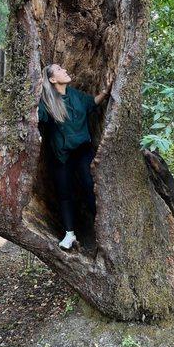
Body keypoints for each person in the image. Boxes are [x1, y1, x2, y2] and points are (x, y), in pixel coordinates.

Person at [38, 64, 113, 249]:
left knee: (89, 186)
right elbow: (36, 118)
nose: (64, 69)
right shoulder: (47, 101)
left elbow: (92, 103)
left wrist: (106, 92)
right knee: (65, 193)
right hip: (61, 154)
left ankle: (104, 229)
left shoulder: (75, 95)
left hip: (82, 150)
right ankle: (69, 234)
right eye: (58, 69)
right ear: (52, 79)